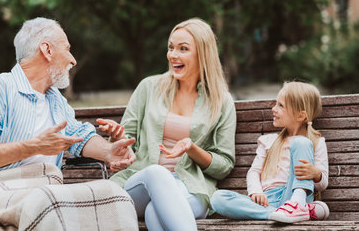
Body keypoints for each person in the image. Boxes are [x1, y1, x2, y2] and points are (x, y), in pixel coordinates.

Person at [0, 17, 138, 230]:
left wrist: (109, 151)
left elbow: (79, 136)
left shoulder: (55, 99)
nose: (73, 60)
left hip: (48, 186)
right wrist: (33, 147)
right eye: (67, 49)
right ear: (47, 50)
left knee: (114, 195)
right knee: (49, 202)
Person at [98, 18, 237, 231]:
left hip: (190, 188)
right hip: (141, 183)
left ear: (203, 54)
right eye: (171, 47)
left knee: (156, 212)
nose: (173, 55)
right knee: (156, 173)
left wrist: (192, 149)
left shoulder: (221, 101)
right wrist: (117, 136)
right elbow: (127, 145)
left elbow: (224, 165)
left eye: (183, 49)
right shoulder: (149, 87)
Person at [211, 81, 330, 223]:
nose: (274, 109)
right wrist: (256, 191)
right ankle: (281, 213)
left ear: (300, 115)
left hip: (294, 194)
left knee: (301, 142)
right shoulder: (268, 141)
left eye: (281, 105)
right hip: (266, 200)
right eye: (275, 103)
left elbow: (322, 184)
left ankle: (296, 206)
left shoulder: (315, 142)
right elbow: (254, 171)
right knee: (218, 199)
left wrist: (316, 175)